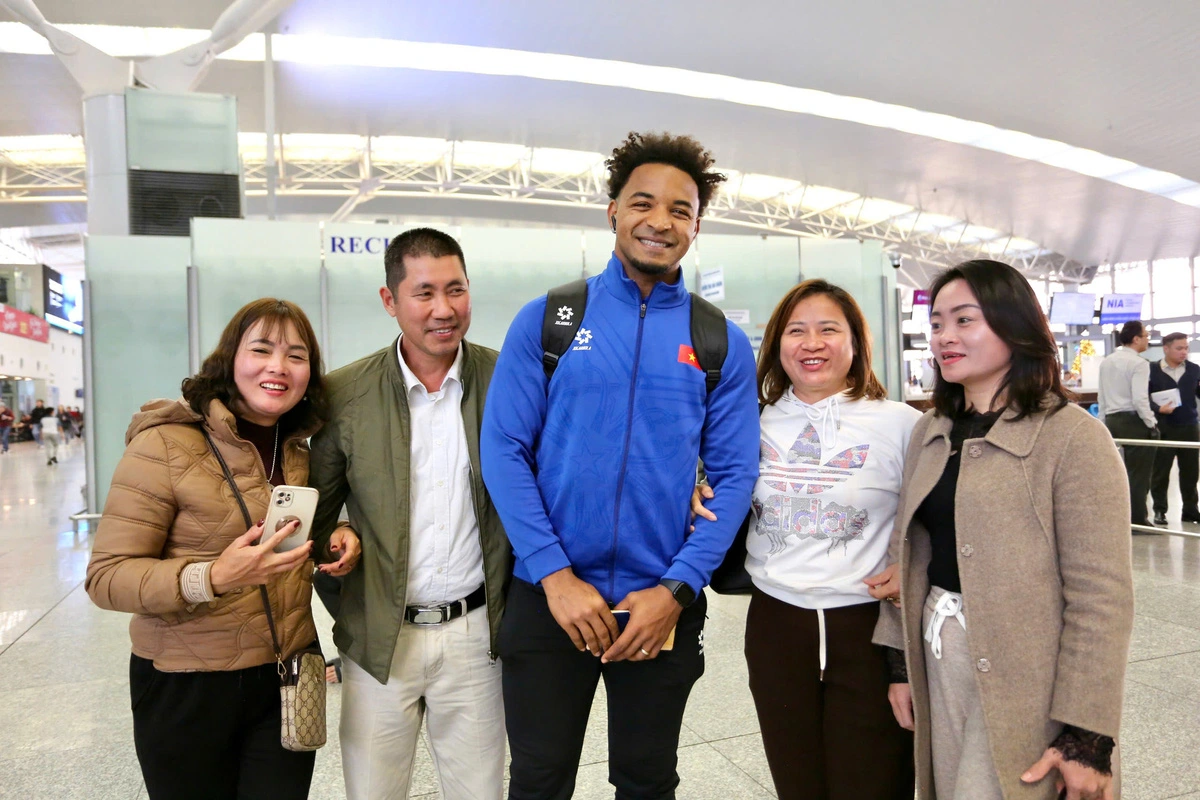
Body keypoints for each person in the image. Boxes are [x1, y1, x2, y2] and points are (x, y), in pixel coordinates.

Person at [480, 131, 761, 800]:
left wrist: (677, 590)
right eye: (643, 203)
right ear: (613, 211)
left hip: (658, 603)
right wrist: (554, 576)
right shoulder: (549, 319)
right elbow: (504, 449)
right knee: (539, 780)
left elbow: (735, 474)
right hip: (549, 598)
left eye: (681, 210)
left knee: (646, 779)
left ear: (696, 226)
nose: (660, 221)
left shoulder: (717, 340)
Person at [870, 260, 1134, 800]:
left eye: (964, 320)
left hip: (1030, 669)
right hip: (938, 657)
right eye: (937, 323)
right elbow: (908, 552)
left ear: (1015, 327)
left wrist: (1087, 736)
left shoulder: (1072, 437)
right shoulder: (931, 430)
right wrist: (900, 663)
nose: (944, 336)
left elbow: (1101, 597)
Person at [85, 298, 360, 800]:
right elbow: (106, 577)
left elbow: (286, 534)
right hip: (187, 683)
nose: (279, 367)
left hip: (287, 676)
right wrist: (212, 577)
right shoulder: (164, 445)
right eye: (261, 349)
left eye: (296, 356)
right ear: (229, 359)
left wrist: (337, 533)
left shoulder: (298, 450)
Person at [693, 279, 920, 800]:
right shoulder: (749, 423)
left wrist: (912, 571)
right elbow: (714, 487)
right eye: (796, 331)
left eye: (828, 330)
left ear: (856, 342)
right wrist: (694, 489)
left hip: (868, 628)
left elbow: (937, 522)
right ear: (777, 345)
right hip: (776, 625)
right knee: (797, 781)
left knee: (875, 782)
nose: (811, 343)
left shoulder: (903, 425)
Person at [308, 228, 510, 800]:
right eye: (424, 293)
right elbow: (316, 517)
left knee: (480, 792)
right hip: (381, 641)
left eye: (456, 289)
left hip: (476, 636)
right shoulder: (343, 395)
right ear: (390, 300)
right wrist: (341, 542)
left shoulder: (507, 382)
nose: (443, 309)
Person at [1098, 319, 1158, 530]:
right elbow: (1140, 399)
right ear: (1136, 339)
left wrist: (1103, 422)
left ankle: (1119, 519)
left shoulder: (1107, 361)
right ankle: (1138, 520)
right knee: (1139, 474)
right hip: (1133, 421)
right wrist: (1151, 423)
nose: (1147, 340)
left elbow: (1102, 397)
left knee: (1117, 473)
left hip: (1112, 421)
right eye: (1145, 336)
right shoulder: (1139, 363)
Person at [1149, 332, 1200, 525]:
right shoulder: (1152, 370)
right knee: (1161, 471)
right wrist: (1158, 409)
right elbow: (1143, 398)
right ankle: (1159, 510)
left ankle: (1190, 510)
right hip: (1164, 426)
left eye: (1186, 348)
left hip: (1189, 426)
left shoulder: (1194, 369)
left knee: (1190, 471)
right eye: (1179, 348)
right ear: (1166, 348)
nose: (1184, 352)